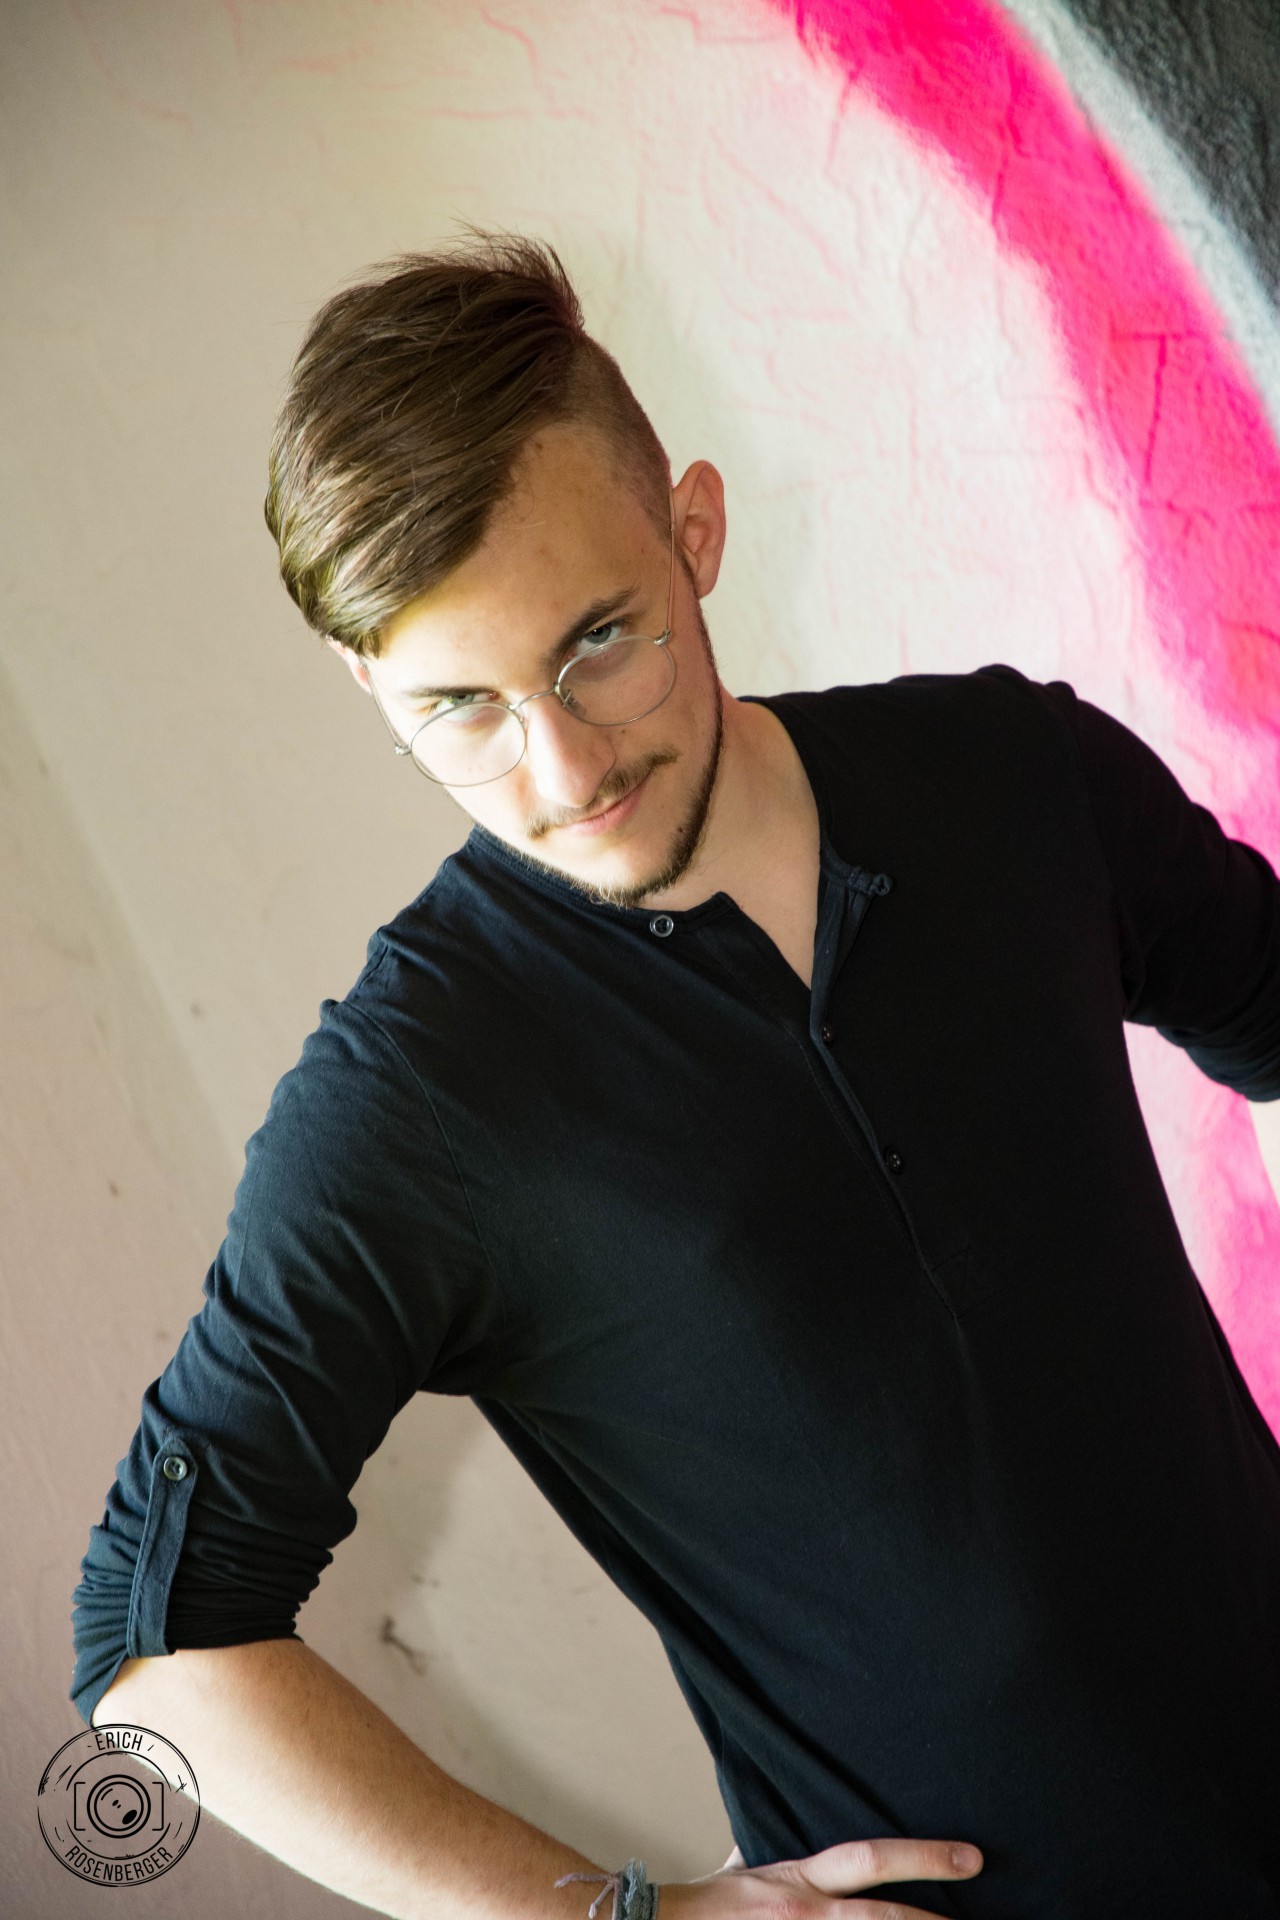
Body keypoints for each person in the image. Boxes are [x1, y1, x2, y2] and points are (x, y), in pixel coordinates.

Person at [71, 232, 1280, 1920]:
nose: (562, 768)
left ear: (693, 532)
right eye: (460, 707)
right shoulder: (413, 1104)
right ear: (366, 684)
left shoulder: (1018, 775)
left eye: (599, 644)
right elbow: (149, 1650)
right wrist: (603, 1919)